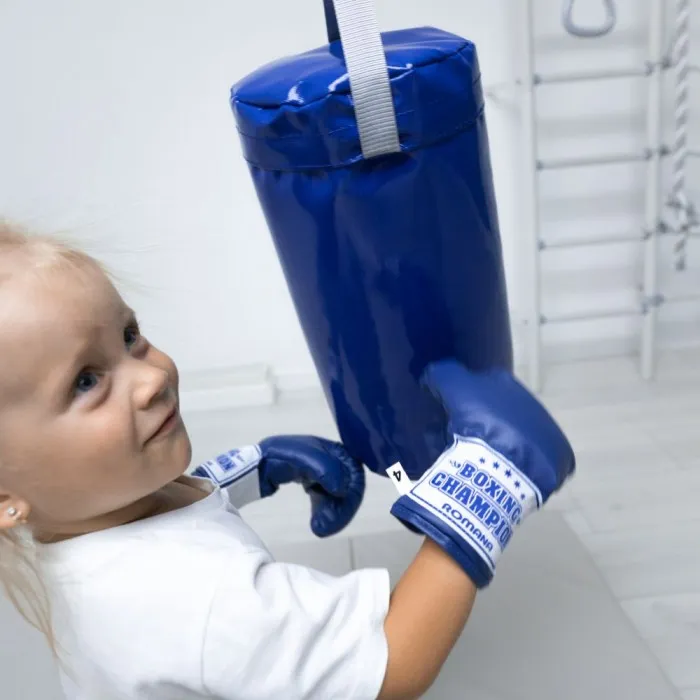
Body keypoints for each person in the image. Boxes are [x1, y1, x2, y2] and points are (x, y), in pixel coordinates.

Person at [0, 221, 575, 700]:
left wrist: (258, 468)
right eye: (85, 381)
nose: (151, 378)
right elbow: (390, 665)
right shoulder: (197, 598)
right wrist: (485, 491)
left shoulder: (68, 523)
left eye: (129, 336)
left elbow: (151, 520)